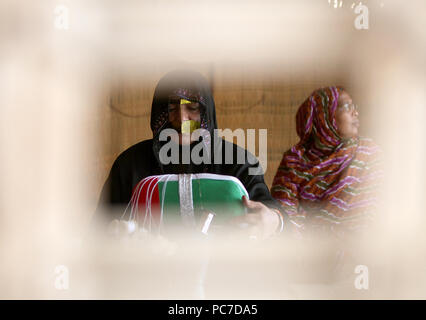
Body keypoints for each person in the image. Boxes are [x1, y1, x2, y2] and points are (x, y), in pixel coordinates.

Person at [94, 70, 286, 238]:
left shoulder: (238, 161)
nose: (181, 118)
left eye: (192, 108)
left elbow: (272, 213)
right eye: (171, 108)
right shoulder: (130, 164)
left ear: (206, 112)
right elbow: (98, 232)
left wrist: (274, 221)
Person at [271, 86, 382, 238]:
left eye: (354, 106)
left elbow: (375, 214)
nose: (355, 113)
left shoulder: (367, 153)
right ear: (323, 116)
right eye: (346, 106)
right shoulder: (294, 161)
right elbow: (283, 214)